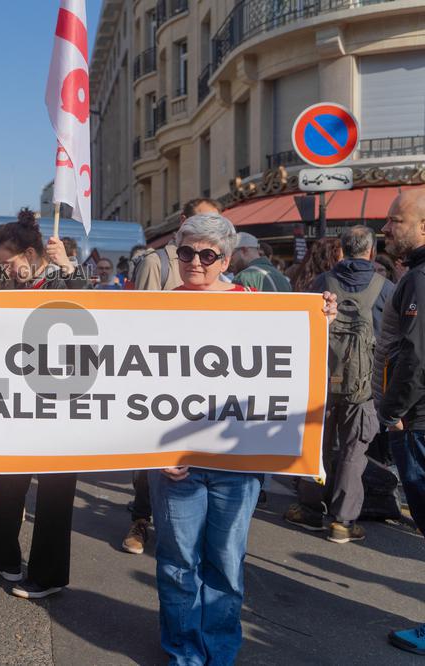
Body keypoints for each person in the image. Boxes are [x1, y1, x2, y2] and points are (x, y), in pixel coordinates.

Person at [151, 212, 336, 665]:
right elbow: (140, 383)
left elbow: (290, 357)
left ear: (227, 259)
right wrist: (154, 448)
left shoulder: (254, 301)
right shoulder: (156, 306)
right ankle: (184, 654)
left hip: (237, 461)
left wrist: (320, 320)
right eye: (186, 252)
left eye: (206, 255)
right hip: (178, 461)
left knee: (227, 564)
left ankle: (219, 650)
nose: (194, 262)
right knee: (178, 565)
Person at [0, 209, 82, 601]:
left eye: (11, 262)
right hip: (11, 396)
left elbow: (101, 310)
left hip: (61, 401)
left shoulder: (64, 281)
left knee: (55, 488)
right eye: (0, 264)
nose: (5, 270)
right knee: (4, 476)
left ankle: (48, 573)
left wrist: (70, 268)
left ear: (34, 253)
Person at [122, 197, 222, 557]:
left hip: (206, 388)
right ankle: (140, 520)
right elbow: (141, 320)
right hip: (162, 382)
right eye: (200, 225)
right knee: (152, 464)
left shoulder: (226, 276)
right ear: (183, 224)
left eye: (215, 227)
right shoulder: (156, 262)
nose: (205, 239)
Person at [285, 226, 393, 542]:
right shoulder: (384, 288)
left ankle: (309, 510)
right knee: (353, 452)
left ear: (342, 251)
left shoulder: (322, 283)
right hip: (364, 386)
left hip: (321, 381)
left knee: (318, 445)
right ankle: (343, 522)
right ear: (371, 252)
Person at [376, 189, 425, 655]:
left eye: (396, 220)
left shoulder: (419, 279)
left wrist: (391, 411)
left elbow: (414, 357)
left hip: (419, 422)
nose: (387, 228)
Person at [132, 198, 222, 291]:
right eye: (203, 222)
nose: (211, 230)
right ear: (183, 221)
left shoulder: (218, 260)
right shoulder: (155, 263)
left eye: (217, 224)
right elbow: (145, 305)